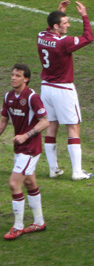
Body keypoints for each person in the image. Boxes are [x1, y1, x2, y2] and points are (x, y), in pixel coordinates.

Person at [36, 0, 93, 181]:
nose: (68, 25)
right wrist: (84, 15)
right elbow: (88, 38)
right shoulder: (64, 43)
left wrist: (59, 12)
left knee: (51, 127)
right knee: (73, 128)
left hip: (46, 88)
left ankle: (53, 169)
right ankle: (77, 172)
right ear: (56, 26)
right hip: (63, 89)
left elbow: (48, 30)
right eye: (65, 23)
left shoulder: (41, 36)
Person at [0, 64, 50, 240]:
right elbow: (3, 120)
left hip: (30, 148)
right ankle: (39, 222)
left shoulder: (32, 97)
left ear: (26, 79)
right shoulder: (8, 97)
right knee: (29, 183)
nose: (14, 78)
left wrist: (25, 135)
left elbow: (45, 121)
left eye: (18, 75)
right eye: (12, 74)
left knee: (14, 184)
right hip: (19, 148)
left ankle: (18, 226)